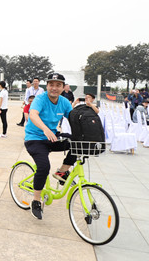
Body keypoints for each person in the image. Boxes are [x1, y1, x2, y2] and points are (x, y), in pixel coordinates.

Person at [24, 73, 72, 220]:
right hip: (35, 138)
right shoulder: (40, 99)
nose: (54, 88)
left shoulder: (64, 102)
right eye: (51, 84)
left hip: (52, 137)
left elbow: (73, 119)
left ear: (63, 88)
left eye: (58, 85)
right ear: (47, 86)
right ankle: (36, 201)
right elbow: (33, 115)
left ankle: (62, 172)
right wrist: (45, 129)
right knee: (44, 167)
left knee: (76, 143)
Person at [53, 92, 100, 183]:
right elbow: (71, 113)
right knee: (75, 145)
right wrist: (75, 103)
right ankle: (62, 172)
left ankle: (63, 172)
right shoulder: (80, 107)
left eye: (89, 98)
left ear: (93, 99)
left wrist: (90, 104)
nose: (86, 99)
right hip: (79, 131)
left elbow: (97, 112)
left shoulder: (92, 106)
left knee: (77, 146)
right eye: (85, 98)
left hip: (89, 131)